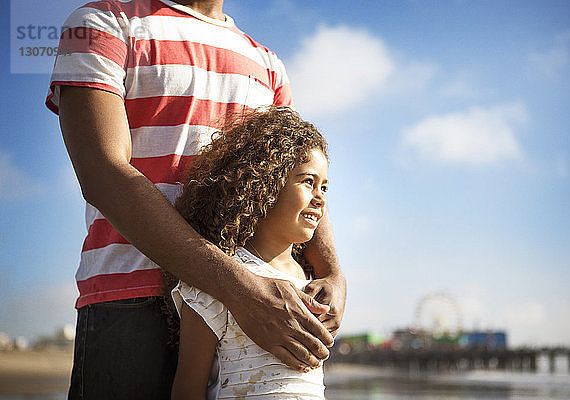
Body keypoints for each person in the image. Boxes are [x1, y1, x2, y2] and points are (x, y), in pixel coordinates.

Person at [46, 0, 346, 398]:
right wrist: (241, 291)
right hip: (133, 298)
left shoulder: (267, 64)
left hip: (252, 303)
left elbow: (294, 168)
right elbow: (102, 173)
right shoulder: (100, 23)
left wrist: (332, 271)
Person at [171, 107, 331, 399]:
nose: (320, 197)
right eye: (308, 181)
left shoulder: (312, 281)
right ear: (267, 184)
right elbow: (187, 388)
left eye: (324, 186)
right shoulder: (217, 279)